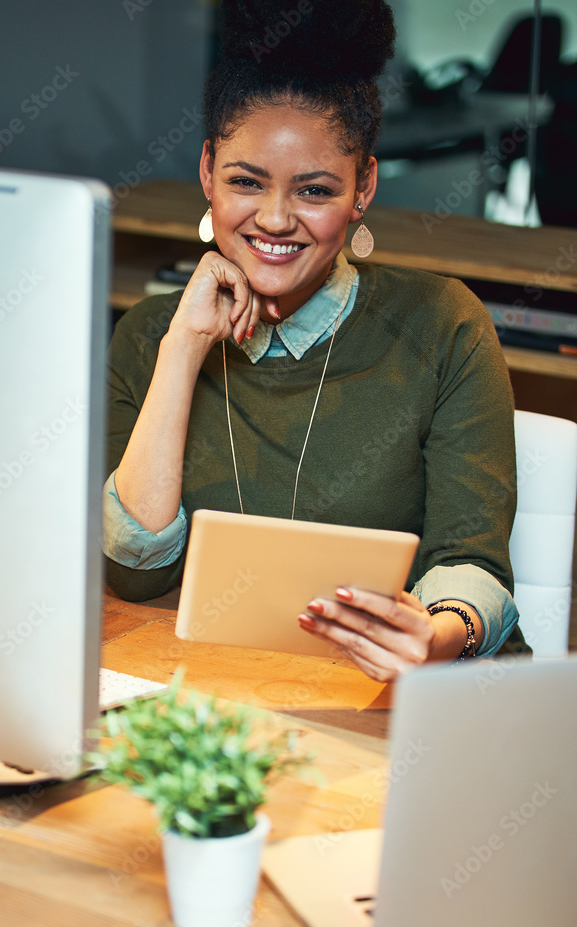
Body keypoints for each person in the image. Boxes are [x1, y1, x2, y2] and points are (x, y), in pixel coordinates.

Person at [104, 0, 529, 681]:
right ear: (208, 170)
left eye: (313, 190)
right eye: (246, 182)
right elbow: (134, 574)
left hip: (393, 695)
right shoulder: (150, 334)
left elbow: (469, 563)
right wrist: (182, 348)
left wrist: (439, 634)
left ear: (362, 186)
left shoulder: (441, 322)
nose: (273, 219)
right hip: (222, 690)